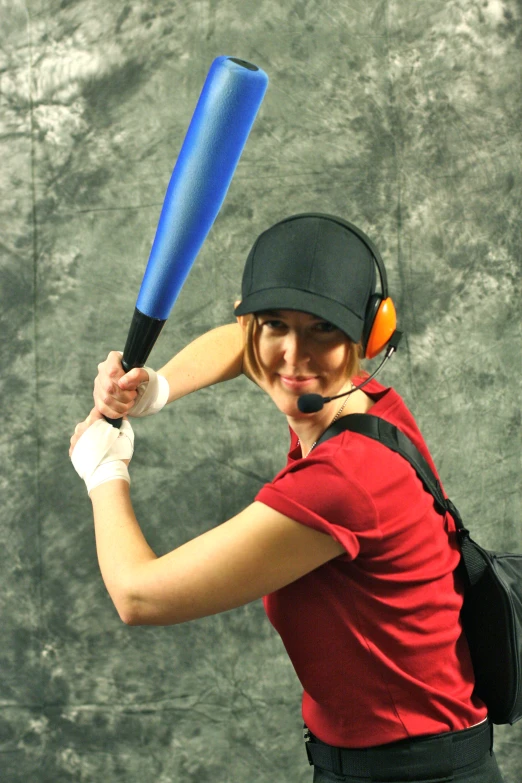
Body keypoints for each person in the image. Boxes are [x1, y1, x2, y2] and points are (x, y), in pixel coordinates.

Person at [69, 213, 504, 782]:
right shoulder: (361, 402)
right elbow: (245, 347)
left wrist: (104, 470)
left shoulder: (346, 480)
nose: (293, 357)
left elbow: (139, 597)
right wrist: (155, 389)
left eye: (323, 328)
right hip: (378, 764)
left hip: (413, 775)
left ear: (367, 339)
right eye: (275, 324)